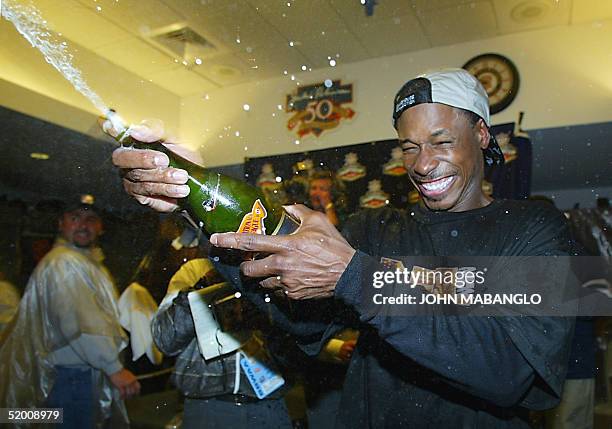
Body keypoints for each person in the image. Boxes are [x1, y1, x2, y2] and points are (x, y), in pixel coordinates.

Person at [110, 68, 577, 428]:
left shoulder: (536, 228)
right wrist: (193, 198)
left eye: (441, 141)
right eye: (409, 146)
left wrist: (358, 278)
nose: (424, 163)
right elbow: (297, 319)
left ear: (480, 134)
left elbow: (510, 371)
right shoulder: (375, 228)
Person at [0, 195, 140, 428]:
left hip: (69, 376)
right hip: (69, 379)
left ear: (101, 228)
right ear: (60, 224)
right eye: (75, 218)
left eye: (91, 219)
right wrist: (114, 369)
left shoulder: (84, 262)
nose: (84, 225)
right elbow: (80, 322)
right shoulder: (65, 263)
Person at [152, 256, 293, 429]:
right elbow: (164, 339)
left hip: (269, 406)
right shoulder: (195, 269)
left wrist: (269, 316)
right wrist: (202, 288)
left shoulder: (273, 266)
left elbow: (299, 346)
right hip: (207, 407)